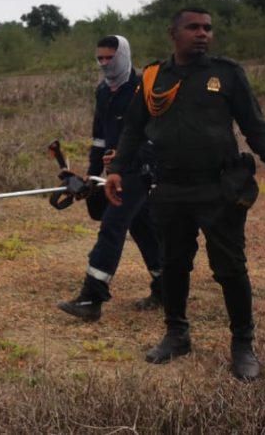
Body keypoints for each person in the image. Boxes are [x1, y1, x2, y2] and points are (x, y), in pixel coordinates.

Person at [105, 7, 265, 381]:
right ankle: (176, 333)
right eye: (194, 28)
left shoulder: (226, 74)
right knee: (173, 263)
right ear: (174, 33)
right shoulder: (154, 77)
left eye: (208, 28)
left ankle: (242, 344)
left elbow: (254, 126)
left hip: (218, 187)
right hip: (169, 186)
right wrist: (117, 168)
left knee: (230, 268)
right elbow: (135, 128)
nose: (203, 34)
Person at [58, 35, 163, 321]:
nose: (104, 64)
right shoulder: (103, 91)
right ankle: (166, 285)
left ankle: (92, 297)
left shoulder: (145, 88)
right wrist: (91, 175)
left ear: (123, 56)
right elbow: (99, 137)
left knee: (112, 227)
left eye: (110, 58)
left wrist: (127, 156)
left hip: (142, 171)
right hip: (116, 173)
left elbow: (157, 135)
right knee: (143, 227)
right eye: (100, 58)